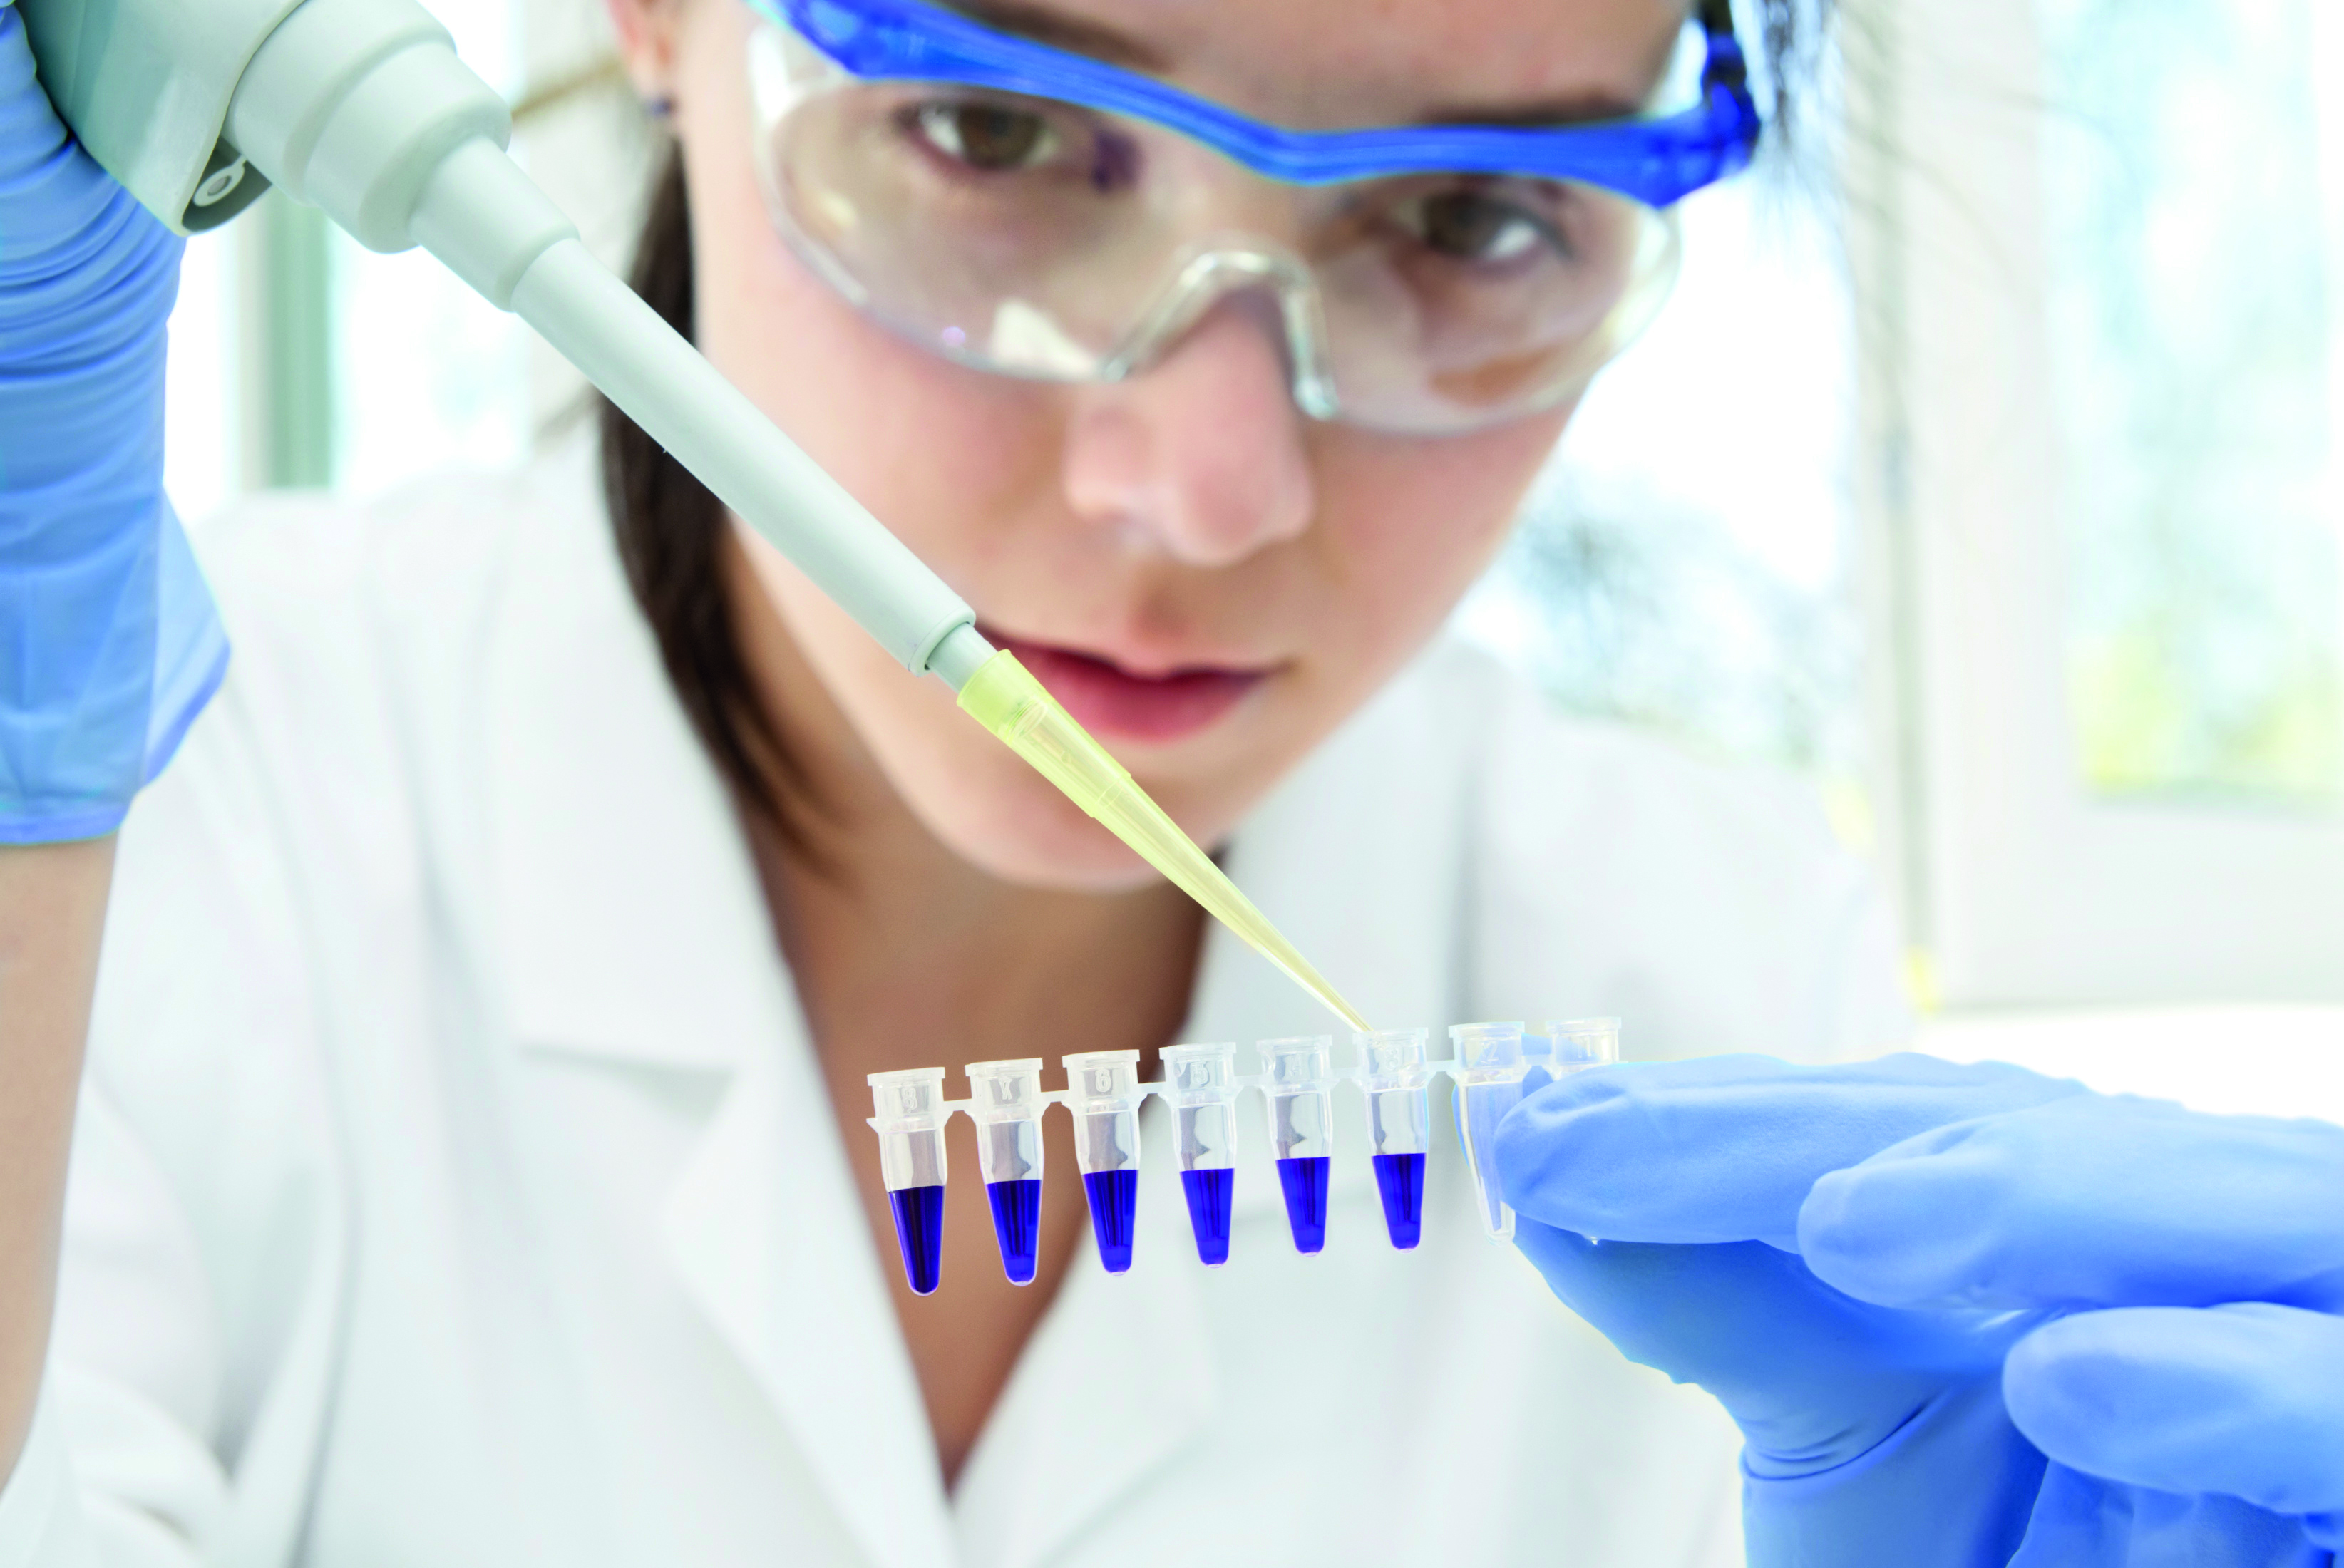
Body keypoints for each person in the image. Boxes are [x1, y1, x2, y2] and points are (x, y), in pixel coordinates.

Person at [0, 2, 2330, 1567]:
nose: (1210, 486)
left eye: (1472, 222)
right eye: (994, 133)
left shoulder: (1707, 964)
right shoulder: (155, 847)